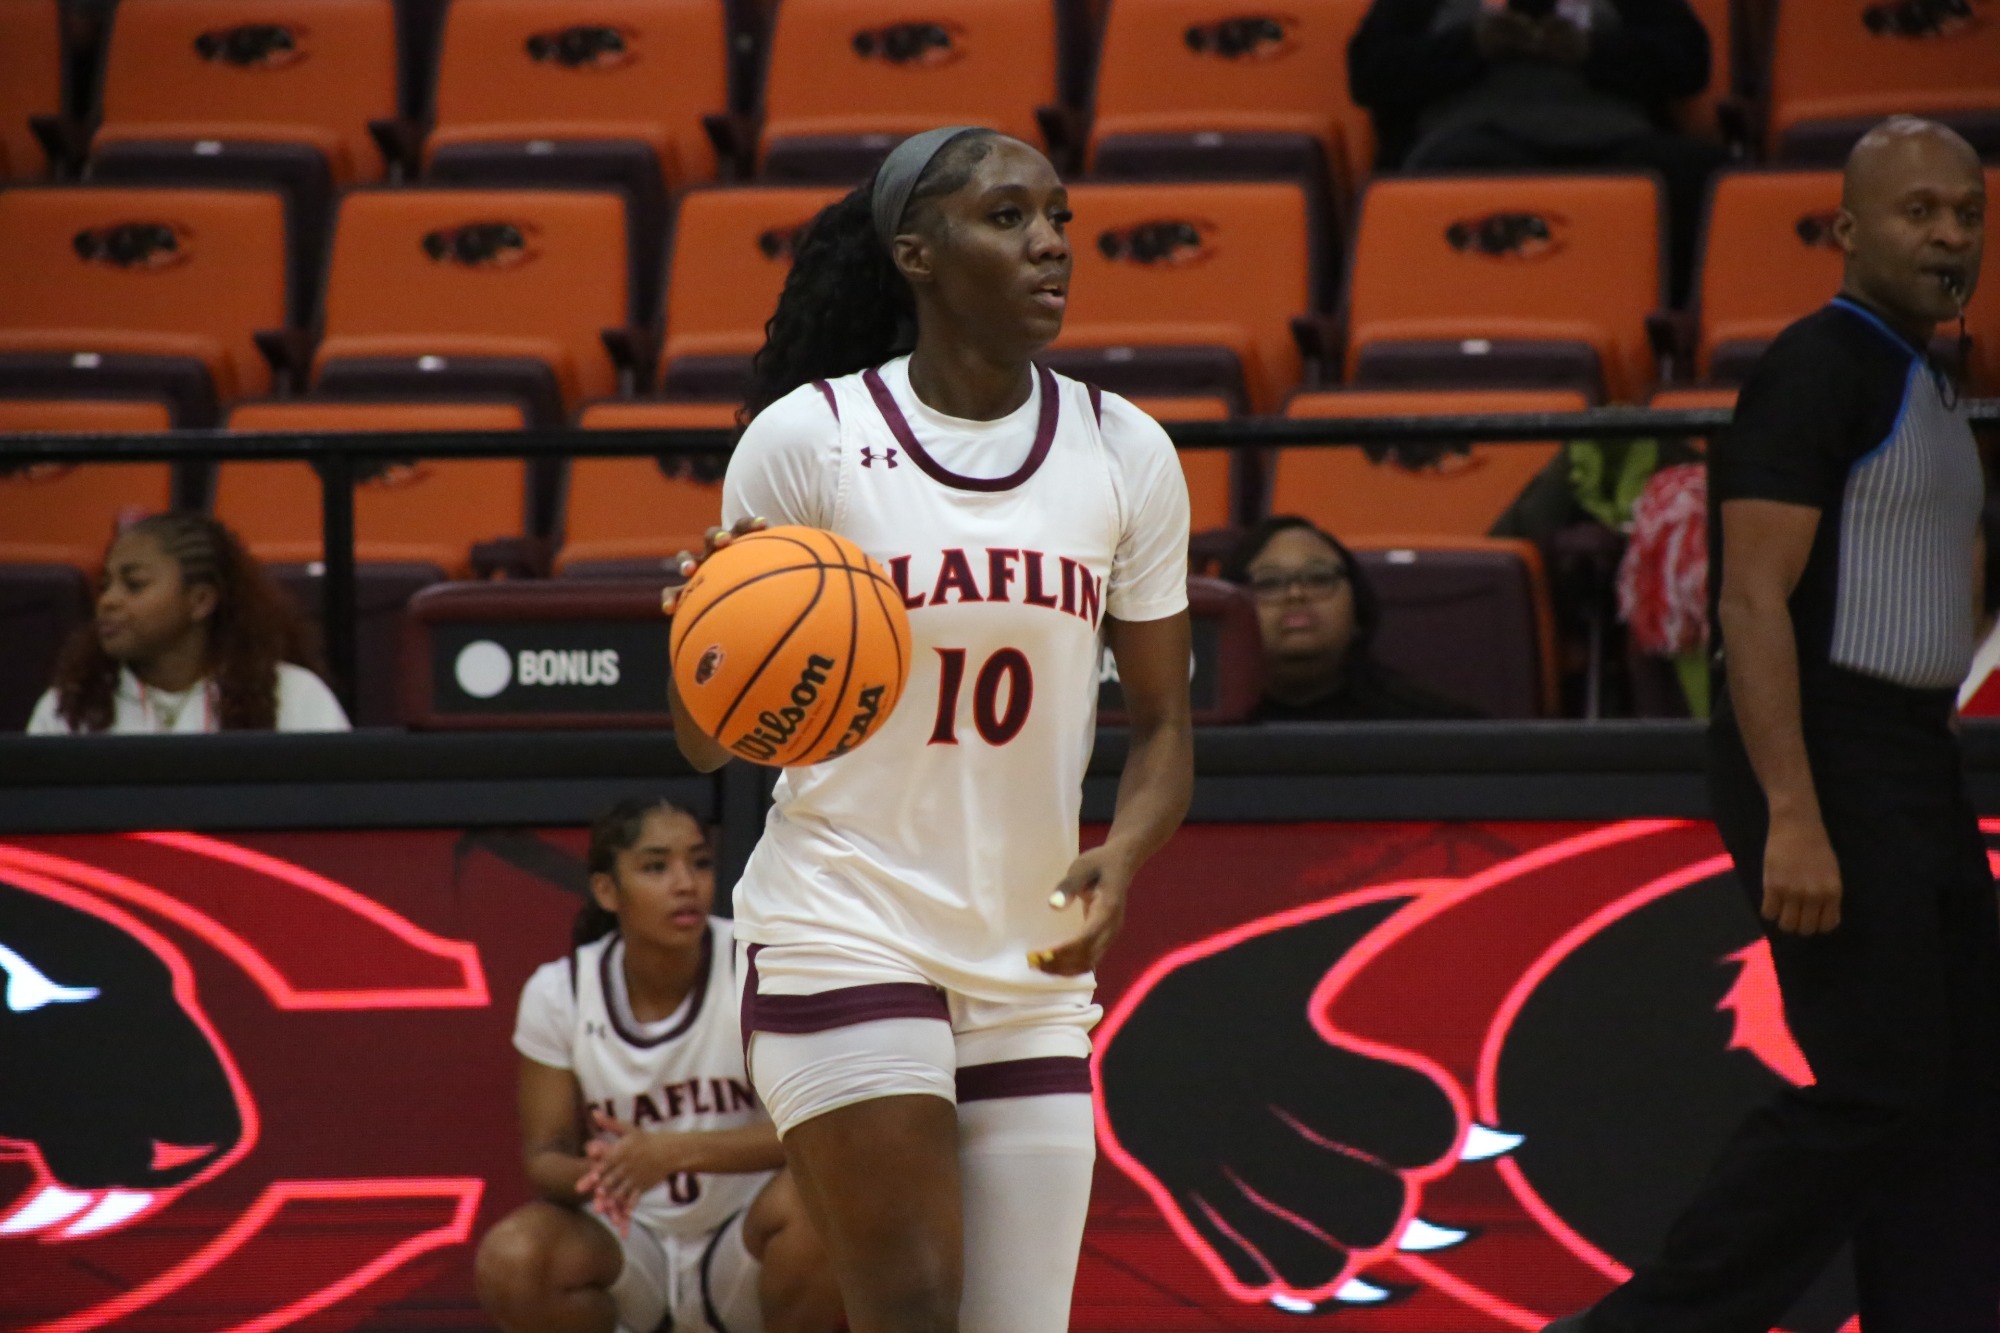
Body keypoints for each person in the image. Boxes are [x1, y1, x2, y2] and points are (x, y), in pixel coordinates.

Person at [668, 127, 1195, 1332]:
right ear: (916, 253)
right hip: (845, 919)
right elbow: (708, 746)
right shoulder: (806, 440)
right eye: (1007, 218)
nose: (1049, 243)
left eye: (1056, 217)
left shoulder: (1126, 449)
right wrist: (706, 639)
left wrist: (1121, 855)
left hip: (1027, 957)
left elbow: (1165, 725)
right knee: (907, 1302)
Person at [1546, 117, 1995, 1332]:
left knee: (1959, 1089)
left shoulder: (1925, 376)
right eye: (1917, 211)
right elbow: (1748, 601)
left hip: (1911, 758)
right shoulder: (1814, 367)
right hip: (1828, 759)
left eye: (1966, 213)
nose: (1947, 236)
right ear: (1846, 229)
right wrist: (1793, 812)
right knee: (1872, 1084)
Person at [476, 798, 843, 1333]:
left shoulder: (757, 963)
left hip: (746, 1236)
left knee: (825, 1201)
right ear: (607, 890)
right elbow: (544, 1157)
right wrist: (607, 1171)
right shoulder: (560, 992)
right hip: (630, 1240)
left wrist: (671, 1153)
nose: (685, 883)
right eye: (656, 867)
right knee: (513, 1259)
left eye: (699, 862)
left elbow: (819, 1133)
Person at [1347, 0, 1724, 302]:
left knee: (1699, 176)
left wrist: (1592, 49)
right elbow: (1371, 72)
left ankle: (1668, 328)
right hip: (1475, 140)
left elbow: (1688, 61)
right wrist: (1473, 45)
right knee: (1454, 178)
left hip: (1613, 139)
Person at [26, 510, 348, 734]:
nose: (108, 601)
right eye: (104, 585)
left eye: (134, 585)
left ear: (200, 601)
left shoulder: (294, 696)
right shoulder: (68, 705)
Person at [1222, 516, 1482, 720]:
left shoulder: (1439, 728)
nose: (1296, 594)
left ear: (1358, 609)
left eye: (1319, 578)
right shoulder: (1201, 731)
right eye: (1268, 583)